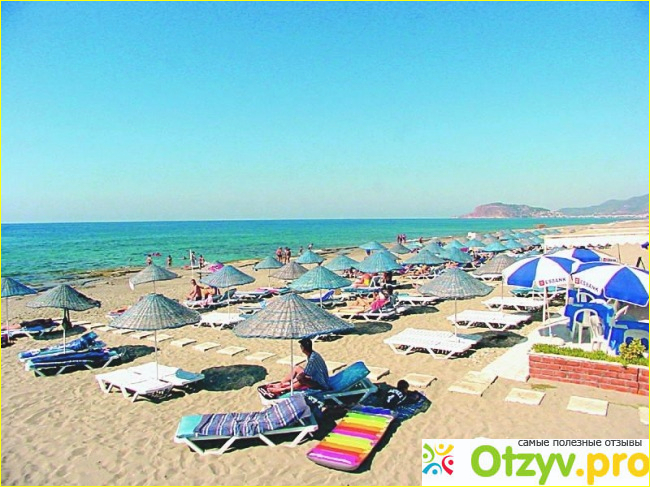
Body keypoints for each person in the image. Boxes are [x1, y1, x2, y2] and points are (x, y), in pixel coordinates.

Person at [261, 338, 329, 397]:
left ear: (303, 348)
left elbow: (304, 375)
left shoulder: (312, 359)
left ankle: (283, 389)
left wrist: (292, 382)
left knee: (302, 379)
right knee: (297, 368)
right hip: (317, 378)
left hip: (321, 384)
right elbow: (307, 372)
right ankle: (280, 384)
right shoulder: (313, 354)